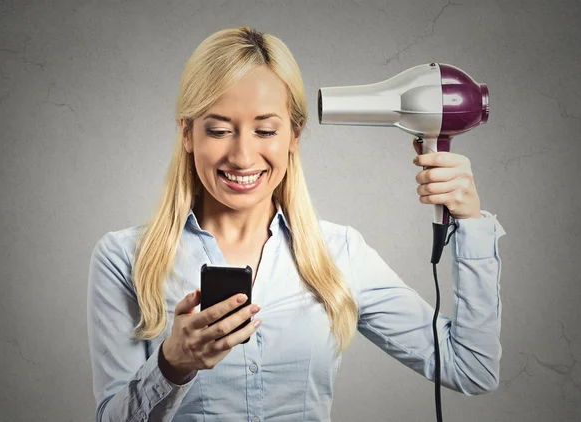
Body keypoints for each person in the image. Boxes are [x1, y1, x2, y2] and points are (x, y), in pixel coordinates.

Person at [87, 26, 507, 422]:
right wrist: (172, 365)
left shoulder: (338, 253)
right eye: (218, 130)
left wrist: (469, 222)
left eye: (266, 130)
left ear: (295, 135)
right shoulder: (125, 258)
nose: (243, 156)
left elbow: (470, 368)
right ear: (187, 133)